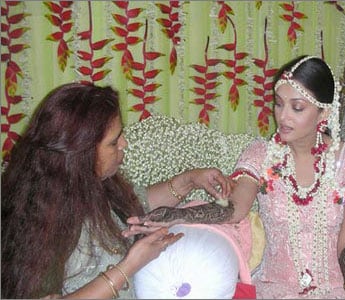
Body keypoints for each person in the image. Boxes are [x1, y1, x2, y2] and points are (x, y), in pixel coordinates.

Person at [126, 55, 345, 298]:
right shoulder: (262, 154)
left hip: (335, 291)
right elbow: (235, 208)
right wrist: (175, 215)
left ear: (323, 113)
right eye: (279, 103)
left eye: (297, 108)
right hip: (272, 290)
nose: (282, 116)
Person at [1, 82, 234, 299]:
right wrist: (130, 266)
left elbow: (134, 204)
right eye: (114, 142)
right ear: (80, 155)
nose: (124, 144)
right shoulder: (38, 220)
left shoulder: (91, 183)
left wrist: (189, 180)